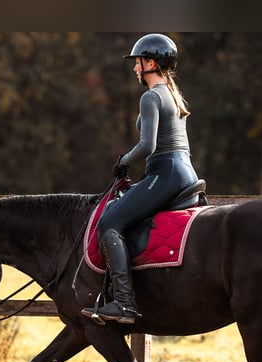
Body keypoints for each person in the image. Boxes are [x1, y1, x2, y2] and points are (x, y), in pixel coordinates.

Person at [82, 33, 201, 324]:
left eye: (137, 63)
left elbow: (147, 146)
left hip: (165, 172)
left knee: (109, 222)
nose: (135, 69)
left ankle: (124, 303)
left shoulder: (150, 96)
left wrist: (122, 161)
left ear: (150, 62)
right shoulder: (173, 94)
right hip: (184, 170)